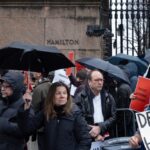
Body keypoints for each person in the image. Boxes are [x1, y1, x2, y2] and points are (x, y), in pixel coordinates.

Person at [18, 81, 92, 150]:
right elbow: (27, 129)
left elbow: (85, 139)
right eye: (58, 93)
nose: (62, 96)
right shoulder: (46, 112)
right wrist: (26, 108)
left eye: (64, 93)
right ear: (51, 96)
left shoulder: (75, 113)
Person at [74, 70, 116, 141]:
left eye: (101, 80)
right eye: (96, 80)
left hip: (105, 134)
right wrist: (93, 131)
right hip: (86, 136)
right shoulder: (80, 97)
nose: (100, 82)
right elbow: (77, 118)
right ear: (89, 82)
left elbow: (113, 117)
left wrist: (100, 127)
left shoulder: (108, 97)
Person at [0, 70, 28, 150]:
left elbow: (25, 131)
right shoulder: (2, 102)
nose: (2, 89)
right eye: (2, 85)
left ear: (15, 87)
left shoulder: (25, 105)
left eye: (6, 86)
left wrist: (2, 123)